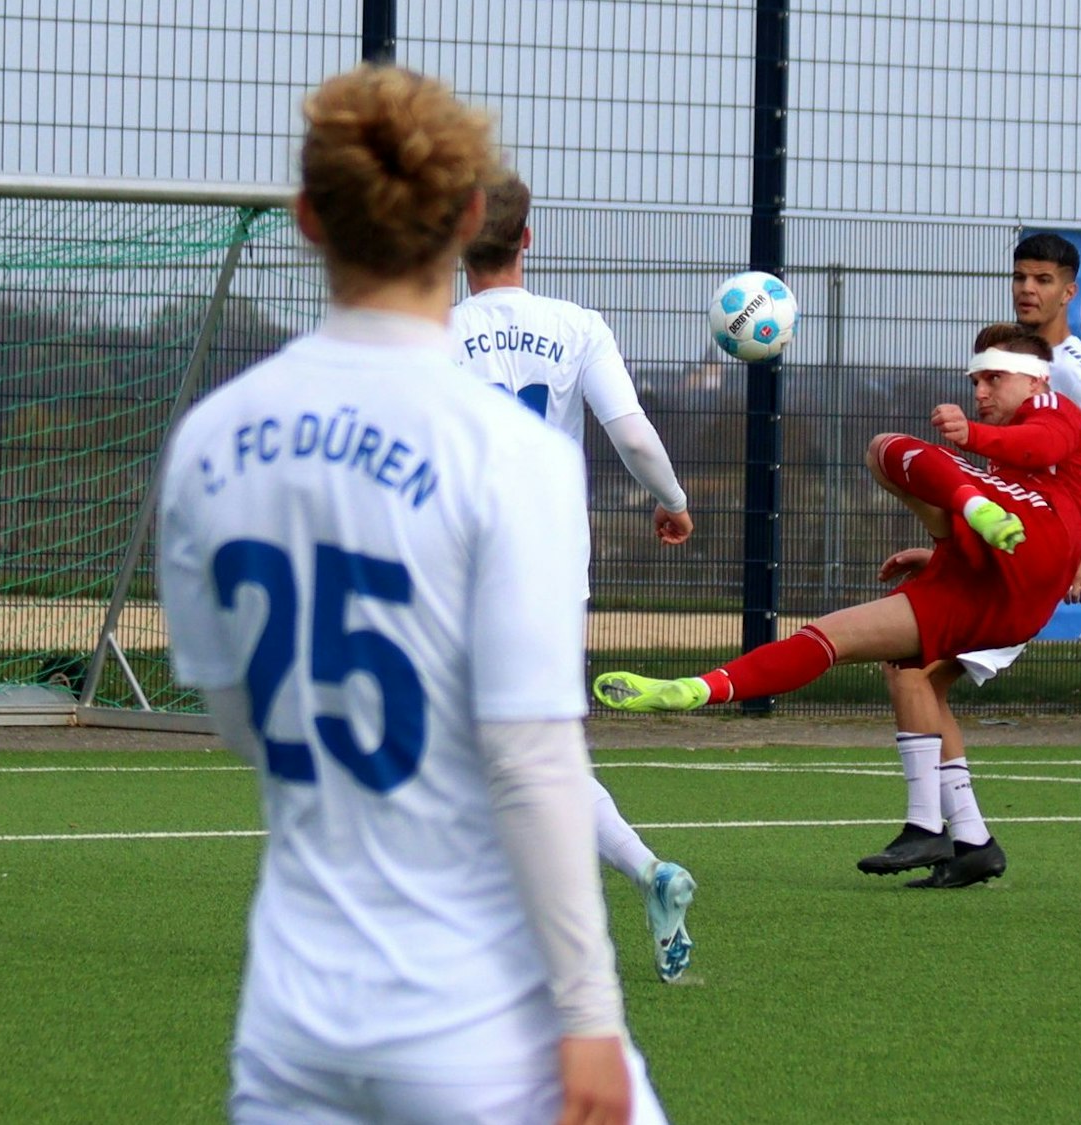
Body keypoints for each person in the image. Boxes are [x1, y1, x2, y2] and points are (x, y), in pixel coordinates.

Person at [156, 64, 667, 1124]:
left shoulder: (208, 440)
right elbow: (531, 763)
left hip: (290, 1022)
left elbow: (239, 716)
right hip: (478, 1018)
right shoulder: (509, 456)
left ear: (305, 220)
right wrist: (589, 1017)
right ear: (470, 216)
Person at [592, 327, 1081, 806]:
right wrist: (942, 553)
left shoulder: (1053, 407)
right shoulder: (1003, 461)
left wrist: (969, 436)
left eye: (994, 378)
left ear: (1035, 378)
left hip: (1034, 550)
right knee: (842, 641)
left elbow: (1043, 444)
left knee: (890, 447)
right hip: (1002, 594)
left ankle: (969, 507)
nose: (981, 392)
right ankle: (701, 689)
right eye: (975, 382)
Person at [450, 172, 697, 981]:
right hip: (555, 570)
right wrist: (673, 499)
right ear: (528, 238)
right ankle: (644, 874)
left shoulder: (430, 333)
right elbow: (632, 436)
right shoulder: (578, 325)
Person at [863, 233, 1081, 889]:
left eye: (1043, 279)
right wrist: (947, 547)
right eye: (1021, 277)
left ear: (1068, 291)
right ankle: (971, 842)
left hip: (1032, 565)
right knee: (921, 680)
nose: (1028, 289)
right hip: (1001, 553)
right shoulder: (1015, 364)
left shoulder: (1071, 369)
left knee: (912, 669)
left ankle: (940, 831)